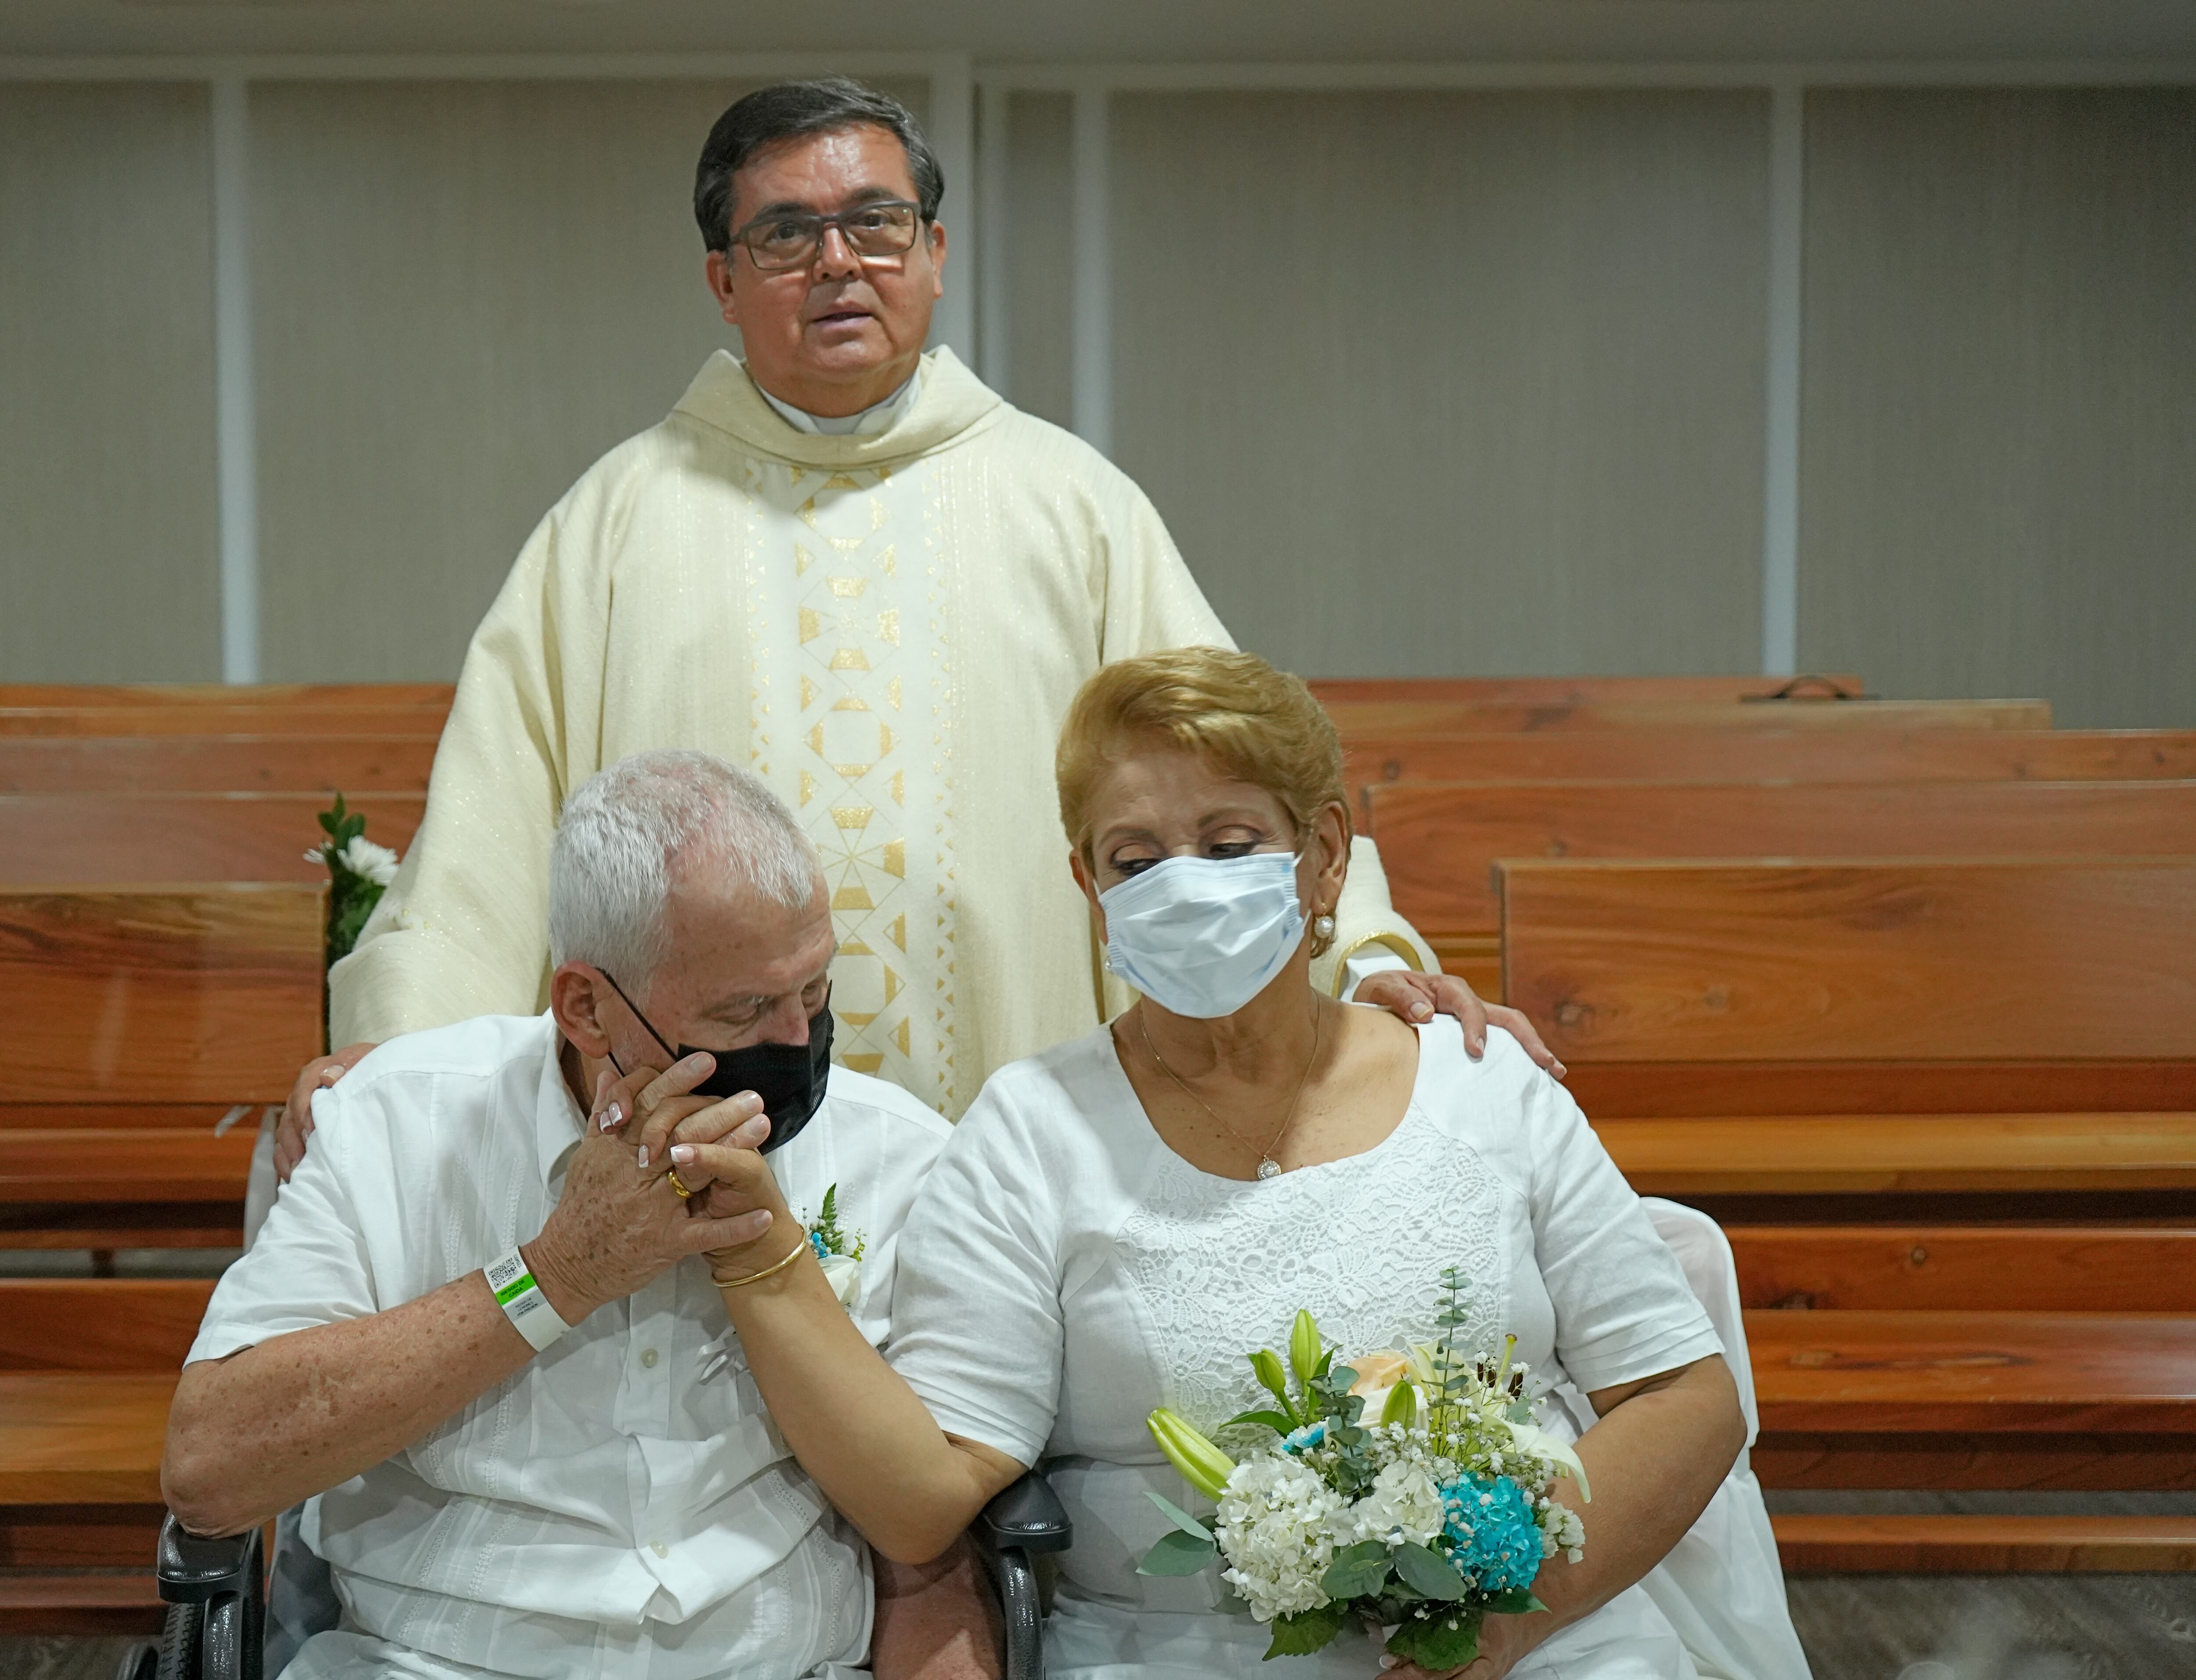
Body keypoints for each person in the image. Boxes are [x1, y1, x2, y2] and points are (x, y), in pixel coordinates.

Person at [281, 76, 1549, 1177]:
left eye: (875, 224)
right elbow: (496, 839)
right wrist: (400, 1066)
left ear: (934, 254)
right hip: (704, 1156)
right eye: (786, 234)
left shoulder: (1070, 504)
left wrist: (1369, 955)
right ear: (723, 280)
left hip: (1023, 1134)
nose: (838, 261)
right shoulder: (609, 528)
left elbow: (1242, 772)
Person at [644, 649, 1806, 1679]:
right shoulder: (1031, 1131)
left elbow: (1680, 1399)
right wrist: (762, 1251)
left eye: (1232, 844)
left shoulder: (1480, 1080)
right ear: (1088, 888)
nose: (1182, 884)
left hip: (1531, 1641)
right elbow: (926, 1492)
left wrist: (1496, 1627)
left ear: (1324, 857)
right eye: (1134, 856)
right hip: (1173, 1650)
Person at [163, 751, 994, 1680]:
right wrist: (558, 1273)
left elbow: (934, 1545)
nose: (797, 1043)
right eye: (745, 1009)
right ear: (588, 1006)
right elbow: (211, 1468)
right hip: (431, 1661)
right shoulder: (396, 1120)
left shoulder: (904, 1153)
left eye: (814, 991)